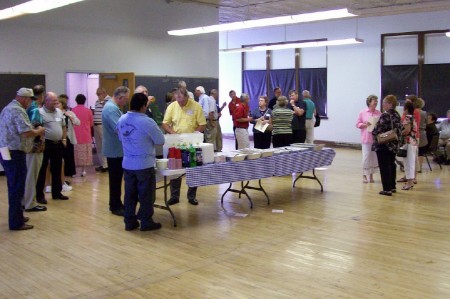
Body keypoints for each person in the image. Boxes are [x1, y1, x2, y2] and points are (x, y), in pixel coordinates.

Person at [117, 93, 165, 231]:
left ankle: (129, 221)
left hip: (128, 163)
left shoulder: (122, 119)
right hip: (144, 164)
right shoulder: (147, 121)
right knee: (146, 195)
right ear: (144, 106)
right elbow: (160, 141)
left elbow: (120, 137)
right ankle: (146, 221)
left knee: (129, 194)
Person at [0, 88, 45, 230]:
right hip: (15, 153)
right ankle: (16, 222)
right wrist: (39, 131)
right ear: (24, 99)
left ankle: (17, 215)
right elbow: (26, 133)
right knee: (17, 187)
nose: (30, 103)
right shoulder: (18, 110)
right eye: (30, 100)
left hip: (6, 151)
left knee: (14, 186)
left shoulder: (7, 108)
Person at [162, 87, 206, 206]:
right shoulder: (172, 106)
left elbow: (202, 124)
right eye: (177, 100)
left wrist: (194, 135)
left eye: (182, 100)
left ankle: (192, 196)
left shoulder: (196, 106)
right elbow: (165, 123)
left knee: (193, 169)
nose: (179, 103)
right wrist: (173, 133)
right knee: (175, 170)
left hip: (192, 144)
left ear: (187, 97)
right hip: (176, 143)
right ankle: (174, 196)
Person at [36, 92, 69, 202]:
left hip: (58, 144)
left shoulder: (59, 112)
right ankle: (40, 196)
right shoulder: (39, 113)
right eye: (54, 100)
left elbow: (64, 127)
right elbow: (37, 129)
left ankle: (57, 192)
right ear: (46, 101)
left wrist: (64, 139)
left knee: (57, 168)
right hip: (46, 144)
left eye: (57, 100)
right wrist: (42, 142)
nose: (56, 102)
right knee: (42, 169)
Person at [102, 86, 130, 216]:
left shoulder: (113, 107)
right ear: (120, 97)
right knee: (115, 180)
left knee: (117, 179)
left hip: (117, 149)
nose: (126, 103)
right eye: (126, 100)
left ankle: (117, 203)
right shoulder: (111, 109)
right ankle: (115, 205)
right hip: (115, 150)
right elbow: (118, 129)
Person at [23, 85, 47, 212]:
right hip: (35, 147)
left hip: (28, 147)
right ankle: (30, 203)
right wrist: (42, 131)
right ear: (42, 95)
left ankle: (25, 200)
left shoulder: (27, 107)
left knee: (28, 175)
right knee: (32, 175)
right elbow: (35, 127)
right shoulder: (35, 109)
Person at [372, 95, 402, 196]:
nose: (383, 105)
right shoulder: (397, 114)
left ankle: (387, 189)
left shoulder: (385, 115)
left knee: (384, 167)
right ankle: (392, 186)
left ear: (390, 104)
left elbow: (377, 130)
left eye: (384, 103)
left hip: (384, 144)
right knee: (391, 164)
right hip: (393, 144)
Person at [356, 94, 381, 183]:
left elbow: (381, 124)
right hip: (366, 138)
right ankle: (364, 175)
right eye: (374, 101)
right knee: (366, 156)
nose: (376, 102)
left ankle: (371, 176)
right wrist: (365, 124)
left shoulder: (379, 113)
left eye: (376, 101)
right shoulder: (362, 112)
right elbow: (357, 124)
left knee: (374, 157)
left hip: (375, 138)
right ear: (369, 102)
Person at [57, 94, 79, 186]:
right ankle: (60, 178)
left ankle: (68, 177)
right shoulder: (55, 113)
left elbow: (78, 122)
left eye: (59, 103)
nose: (57, 105)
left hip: (69, 138)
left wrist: (71, 117)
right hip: (59, 139)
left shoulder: (70, 112)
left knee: (69, 157)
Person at [72, 94, 94, 178]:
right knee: (84, 154)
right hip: (85, 134)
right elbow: (91, 123)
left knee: (75, 153)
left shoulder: (72, 110)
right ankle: (83, 170)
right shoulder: (88, 111)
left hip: (75, 135)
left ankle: (73, 171)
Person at [93, 88, 110, 172]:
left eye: (99, 94)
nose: (98, 96)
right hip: (96, 125)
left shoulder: (108, 100)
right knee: (98, 146)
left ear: (104, 93)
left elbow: (108, 111)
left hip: (102, 125)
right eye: (97, 94)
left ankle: (106, 165)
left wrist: (103, 102)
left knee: (104, 145)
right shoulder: (97, 101)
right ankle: (101, 164)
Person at [416, 98, 428, 172]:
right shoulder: (424, 113)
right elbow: (426, 122)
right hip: (423, 133)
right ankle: (420, 167)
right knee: (421, 152)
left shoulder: (413, 112)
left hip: (416, 133)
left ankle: (415, 167)